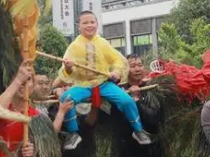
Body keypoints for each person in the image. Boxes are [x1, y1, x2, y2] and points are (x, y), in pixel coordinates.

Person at [58, 10, 151, 149]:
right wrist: (69, 67)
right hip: (83, 85)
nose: (89, 25)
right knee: (66, 98)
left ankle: (138, 130)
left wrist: (115, 72)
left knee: (126, 100)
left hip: (104, 83)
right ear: (79, 26)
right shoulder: (73, 46)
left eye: (92, 22)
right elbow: (66, 72)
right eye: (85, 23)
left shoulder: (103, 43)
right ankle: (73, 133)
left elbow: (117, 60)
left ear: (97, 24)